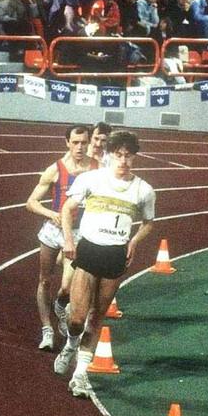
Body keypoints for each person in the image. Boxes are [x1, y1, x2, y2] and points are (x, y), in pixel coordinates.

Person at [54, 130, 156, 398]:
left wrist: (133, 243)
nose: (123, 160)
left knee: (97, 317)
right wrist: (68, 240)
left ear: (134, 157)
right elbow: (67, 209)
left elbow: (148, 224)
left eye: (128, 156)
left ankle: (80, 375)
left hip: (115, 256)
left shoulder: (144, 190)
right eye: (118, 155)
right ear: (110, 154)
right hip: (88, 252)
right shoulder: (91, 179)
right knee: (76, 319)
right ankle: (70, 345)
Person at [26, 125, 98, 351]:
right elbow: (31, 203)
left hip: (78, 234)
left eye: (83, 142)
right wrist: (51, 214)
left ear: (89, 143)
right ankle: (47, 330)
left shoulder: (97, 169)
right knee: (45, 280)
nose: (79, 147)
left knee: (67, 286)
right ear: (67, 142)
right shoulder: (55, 169)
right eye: (75, 142)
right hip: (52, 231)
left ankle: (60, 305)